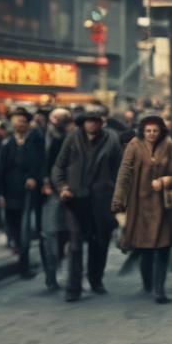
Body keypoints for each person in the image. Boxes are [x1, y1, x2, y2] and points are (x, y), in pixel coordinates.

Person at [112, 114, 172, 303]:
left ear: (161, 130)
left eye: (155, 130)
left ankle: (159, 289)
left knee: (162, 247)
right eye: (148, 130)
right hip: (139, 205)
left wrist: (167, 181)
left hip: (163, 206)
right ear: (142, 131)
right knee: (144, 247)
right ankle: (148, 283)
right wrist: (118, 200)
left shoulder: (170, 145)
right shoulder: (134, 145)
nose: (151, 134)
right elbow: (124, 174)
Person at [52, 102, 122, 302]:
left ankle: (95, 279)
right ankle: (73, 288)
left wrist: (119, 198)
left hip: (101, 201)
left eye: (96, 121)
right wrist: (62, 187)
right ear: (83, 123)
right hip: (76, 200)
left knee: (99, 242)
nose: (92, 125)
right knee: (75, 246)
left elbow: (120, 171)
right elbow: (59, 166)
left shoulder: (112, 139)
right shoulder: (73, 138)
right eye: (89, 121)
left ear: (102, 123)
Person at [0, 106, 44, 278]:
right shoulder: (7, 144)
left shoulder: (35, 141)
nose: (19, 124)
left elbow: (40, 163)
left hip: (27, 192)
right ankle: (21, 256)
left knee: (25, 230)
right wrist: (0, 193)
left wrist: (33, 177)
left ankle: (24, 265)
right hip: (9, 192)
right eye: (16, 120)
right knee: (13, 227)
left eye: (23, 121)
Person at [39, 107, 72, 292]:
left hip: (68, 191)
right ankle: (51, 275)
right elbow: (42, 162)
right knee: (50, 234)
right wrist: (45, 181)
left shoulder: (71, 138)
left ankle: (64, 274)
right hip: (50, 192)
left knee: (67, 234)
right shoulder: (43, 138)